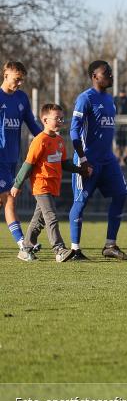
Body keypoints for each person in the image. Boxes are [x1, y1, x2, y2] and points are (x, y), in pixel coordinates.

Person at [69, 60, 127, 261]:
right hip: (89, 161)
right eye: (107, 73)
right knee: (81, 202)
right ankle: (75, 249)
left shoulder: (110, 100)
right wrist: (84, 159)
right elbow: (74, 131)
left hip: (108, 160)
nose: (111, 75)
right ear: (95, 76)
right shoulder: (85, 98)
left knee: (121, 194)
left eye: (111, 72)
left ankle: (110, 245)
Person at [10, 103, 85, 262]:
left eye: (62, 118)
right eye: (56, 118)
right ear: (44, 120)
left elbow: (64, 163)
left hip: (53, 186)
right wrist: (17, 184)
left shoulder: (59, 140)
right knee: (51, 217)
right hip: (41, 185)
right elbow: (28, 164)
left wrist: (80, 169)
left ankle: (26, 249)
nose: (60, 121)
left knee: (39, 220)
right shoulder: (39, 140)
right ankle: (59, 250)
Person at [0, 61, 43, 258]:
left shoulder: (22, 99)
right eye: (17, 79)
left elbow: (32, 125)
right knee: (9, 199)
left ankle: (23, 244)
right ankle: (23, 245)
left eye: (21, 81)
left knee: (5, 201)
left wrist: (47, 138)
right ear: (5, 75)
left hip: (12, 157)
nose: (19, 83)